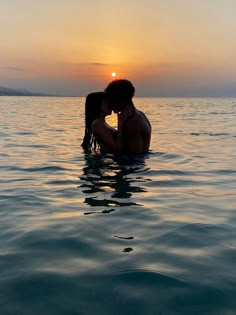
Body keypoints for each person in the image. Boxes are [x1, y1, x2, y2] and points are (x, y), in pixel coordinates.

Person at [92, 79, 152, 154]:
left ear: (118, 100)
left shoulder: (131, 122)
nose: (109, 105)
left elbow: (135, 158)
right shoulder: (141, 115)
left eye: (110, 100)